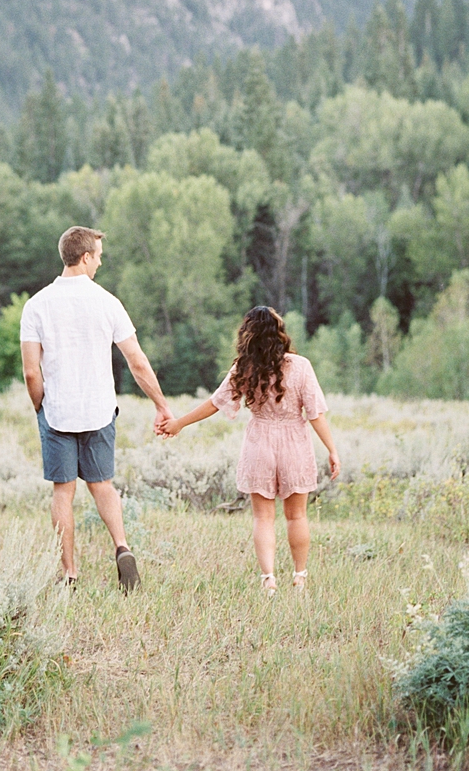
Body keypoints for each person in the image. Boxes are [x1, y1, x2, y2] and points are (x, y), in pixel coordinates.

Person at [20, 225, 173, 591]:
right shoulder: (108, 302)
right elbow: (136, 361)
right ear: (85, 257)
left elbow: (30, 371)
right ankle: (122, 548)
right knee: (103, 486)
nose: (100, 263)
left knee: (63, 492)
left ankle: (70, 574)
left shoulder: (36, 305)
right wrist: (161, 405)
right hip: (99, 409)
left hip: (58, 411)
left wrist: (41, 406)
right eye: (99, 257)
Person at [159, 305, 340, 596]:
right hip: (295, 441)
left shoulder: (245, 367)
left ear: (248, 334)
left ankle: (268, 579)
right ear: (278, 331)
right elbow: (315, 413)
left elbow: (214, 403)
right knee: (297, 516)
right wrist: (332, 449)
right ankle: (299, 577)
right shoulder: (301, 366)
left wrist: (179, 423)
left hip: (260, 444)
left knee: (263, 517)